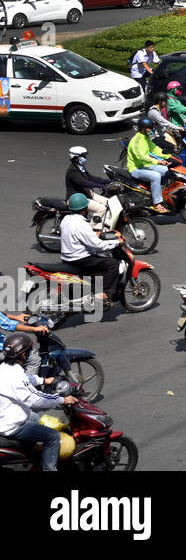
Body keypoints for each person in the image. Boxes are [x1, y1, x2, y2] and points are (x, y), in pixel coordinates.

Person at [0, 334, 78, 471]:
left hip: (6, 415)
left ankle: (32, 450)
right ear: (23, 354)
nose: (30, 354)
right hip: (11, 426)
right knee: (52, 436)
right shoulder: (15, 376)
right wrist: (62, 400)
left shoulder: (5, 367)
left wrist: (44, 380)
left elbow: (26, 378)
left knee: (35, 417)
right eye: (29, 351)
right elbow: (35, 398)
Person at [59, 192, 124, 305]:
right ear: (84, 209)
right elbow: (98, 245)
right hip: (80, 259)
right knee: (113, 264)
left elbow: (78, 237)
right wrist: (116, 242)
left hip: (66, 257)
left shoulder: (66, 220)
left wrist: (94, 235)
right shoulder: (81, 224)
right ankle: (106, 294)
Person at [125, 119, 170, 212]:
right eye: (150, 129)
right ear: (143, 129)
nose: (151, 130)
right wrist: (158, 162)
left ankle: (164, 193)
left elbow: (154, 149)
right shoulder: (136, 141)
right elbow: (141, 157)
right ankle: (157, 203)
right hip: (136, 169)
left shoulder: (145, 138)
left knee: (167, 170)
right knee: (156, 176)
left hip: (145, 165)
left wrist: (169, 156)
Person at [65, 145, 111, 224]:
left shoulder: (80, 168)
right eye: (83, 156)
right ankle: (93, 229)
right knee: (101, 209)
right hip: (76, 199)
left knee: (110, 203)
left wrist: (108, 181)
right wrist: (100, 186)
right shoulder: (72, 171)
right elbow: (84, 182)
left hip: (86, 194)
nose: (85, 158)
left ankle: (104, 224)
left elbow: (91, 178)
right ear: (76, 158)